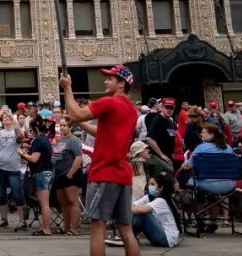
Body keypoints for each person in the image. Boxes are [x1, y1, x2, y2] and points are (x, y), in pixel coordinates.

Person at [61, 64, 141, 256]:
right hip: (122, 173)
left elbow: (74, 113)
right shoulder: (131, 109)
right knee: (126, 228)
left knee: (97, 226)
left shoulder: (109, 102)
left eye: (110, 78)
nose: (105, 81)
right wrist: (80, 122)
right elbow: (102, 132)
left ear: (121, 84)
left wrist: (67, 88)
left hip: (104, 172)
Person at [0, 110, 26, 231]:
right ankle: (3, 220)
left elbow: (21, 137)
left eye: (8, 116)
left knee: (17, 193)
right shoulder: (0, 131)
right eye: (4, 117)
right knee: (0, 195)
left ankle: (22, 221)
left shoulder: (15, 131)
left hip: (13, 168)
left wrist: (14, 120)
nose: (6, 118)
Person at [20, 116, 54, 236]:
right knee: (44, 202)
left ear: (35, 128)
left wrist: (22, 154)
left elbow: (34, 159)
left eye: (31, 130)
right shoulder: (44, 139)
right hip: (47, 172)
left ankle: (46, 229)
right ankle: (45, 227)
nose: (30, 133)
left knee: (44, 203)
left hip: (42, 172)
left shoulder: (39, 140)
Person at [130, 173, 180, 248]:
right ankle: (129, 237)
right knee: (136, 211)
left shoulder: (162, 200)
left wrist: (123, 210)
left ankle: (127, 237)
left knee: (143, 214)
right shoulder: (149, 197)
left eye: (153, 184)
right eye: (149, 184)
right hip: (158, 235)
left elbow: (140, 210)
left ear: (161, 188)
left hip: (166, 239)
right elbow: (134, 205)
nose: (150, 187)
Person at [53, 116, 84, 236]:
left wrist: (70, 173)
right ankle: (66, 227)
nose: (61, 127)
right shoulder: (60, 140)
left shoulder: (73, 140)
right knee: (63, 202)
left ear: (70, 127)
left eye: (64, 125)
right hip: (59, 174)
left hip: (71, 174)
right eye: (60, 125)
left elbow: (78, 157)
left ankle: (74, 228)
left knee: (72, 201)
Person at [145, 97, 177, 180]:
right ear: (162, 107)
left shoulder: (170, 122)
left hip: (168, 156)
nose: (169, 110)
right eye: (167, 107)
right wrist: (161, 154)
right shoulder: (157, 120)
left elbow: (172, 137)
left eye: (171, 108)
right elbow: (149, 138)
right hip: (158, 158)